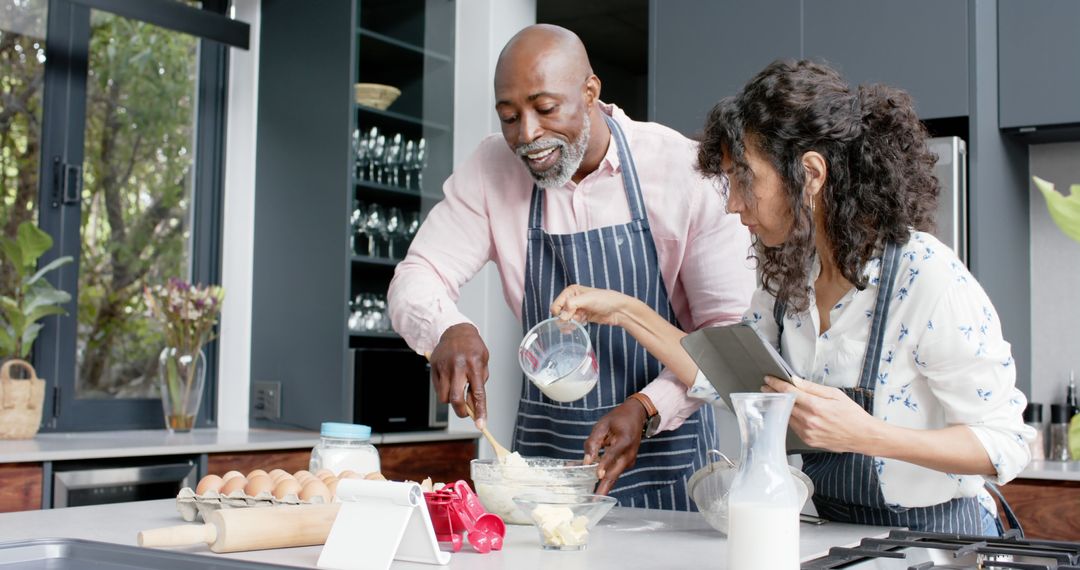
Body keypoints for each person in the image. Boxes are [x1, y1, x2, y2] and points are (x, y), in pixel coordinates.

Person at [551, 59, 1033, 533]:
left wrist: (866, 435)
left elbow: (1004, 444)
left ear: (811, 174)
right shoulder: (789, 277)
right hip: (837, 538)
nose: (735, 203)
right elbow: (722, 372)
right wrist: (624, 310)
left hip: (940, 542)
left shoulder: (925, 275)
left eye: (745, 180)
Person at [387, 24, 755, 509]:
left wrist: (648, 408)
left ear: (590, 91)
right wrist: (447, 327)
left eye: (544, 109)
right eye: (509, 116)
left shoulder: (683, 170)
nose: (527, 134)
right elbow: (416, 276)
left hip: (668, 463)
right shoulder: (491, 168)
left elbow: (726, 340)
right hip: (546, 472)